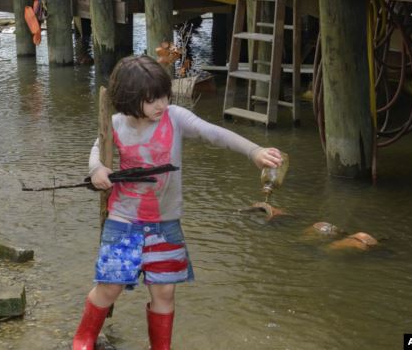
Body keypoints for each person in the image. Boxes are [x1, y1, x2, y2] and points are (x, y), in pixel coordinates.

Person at [72, 55, 284, 350]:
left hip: (165, 223)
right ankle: (84, 338)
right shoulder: (115, 124)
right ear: (129, 99)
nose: (160, 104)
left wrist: (254, 151)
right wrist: (97, 171)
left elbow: (213, 133)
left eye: (163, 96)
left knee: (165, 291)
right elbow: (97, 151)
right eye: (151, 100)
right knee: (110, 285)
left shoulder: (175, 117)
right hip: (123, 219)